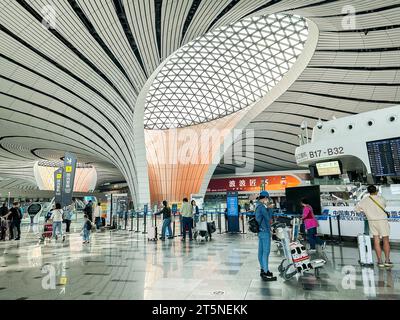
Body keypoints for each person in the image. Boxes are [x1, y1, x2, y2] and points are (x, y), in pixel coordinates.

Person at [355, 185, 393, 268]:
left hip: (372, 221)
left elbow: (357, 210)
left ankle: (379, 261)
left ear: (368, 192)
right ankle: (387, 261)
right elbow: (384, 205)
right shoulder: (381, 198)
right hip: (382, 221)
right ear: (376, 191)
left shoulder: (364, 200)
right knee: (385, 240)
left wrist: (365, 211)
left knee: (376, 240)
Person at [255, 191, 277, 281]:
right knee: (266, 252)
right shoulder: (261, 207)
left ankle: (263, 269)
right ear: (264, 198)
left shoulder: (258, 206)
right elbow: (268, 218)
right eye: (267, 199)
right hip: (265, 232)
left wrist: (267, 208)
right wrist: (271, 209)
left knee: (261, 251)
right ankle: (266, 271)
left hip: (260, 231)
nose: (268, 200)